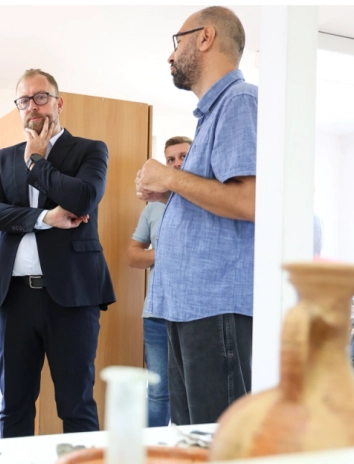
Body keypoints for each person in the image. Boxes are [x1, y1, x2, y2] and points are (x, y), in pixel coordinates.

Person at [136, 6, 257, 425]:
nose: (170, 55)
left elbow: (249, 201)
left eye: (178, 41)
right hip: (188, 308)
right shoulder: (211, 115)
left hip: (215, 307)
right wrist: (171, 191)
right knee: (191, 438)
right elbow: (218, 199)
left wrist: (169, 177)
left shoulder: (239, 100)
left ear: (206, 37)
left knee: (215, 441)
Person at [0, 69, 115, 438]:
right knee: (14, 405)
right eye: (24, 100)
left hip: (72, 297)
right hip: (14, 298)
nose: (32, 106)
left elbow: (83, 198)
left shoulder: (90, 150)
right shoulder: (4, 157)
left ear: (59, 102)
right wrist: (44, 218)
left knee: (76, 405)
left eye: (41, 97)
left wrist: (38, 162)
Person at [127, 135, 191, 427]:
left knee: (191, 392)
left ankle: (185, 449)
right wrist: (164, 253)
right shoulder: (153, 206)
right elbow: (133, 255)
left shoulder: (206, 201)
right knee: (157, 393)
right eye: (170, 159)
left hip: (194, 316)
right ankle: (150, 451)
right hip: (156, 315)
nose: (176, 163)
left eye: (183, 156)